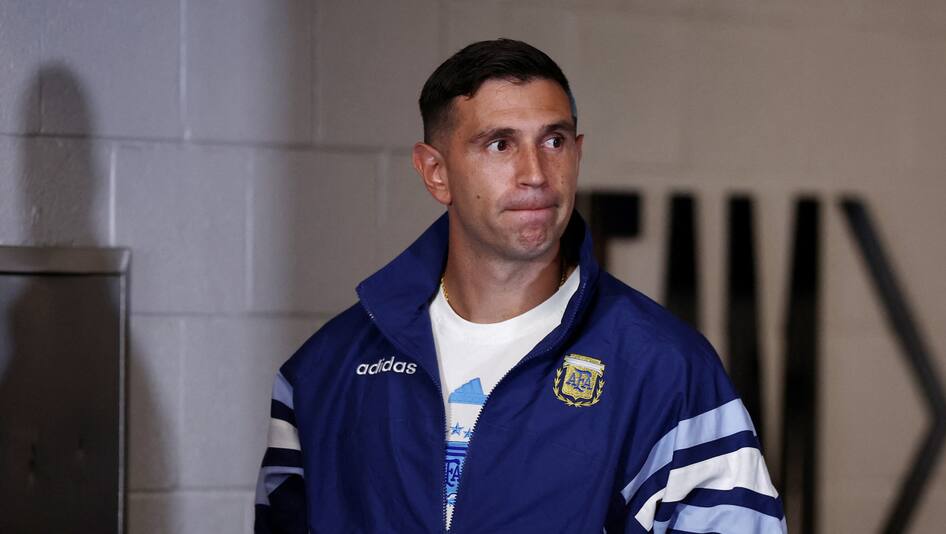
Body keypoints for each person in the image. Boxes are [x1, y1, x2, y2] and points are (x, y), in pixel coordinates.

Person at [254, 39, 785, 533]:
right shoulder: (325, 372)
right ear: (435, 172)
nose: (535, 172)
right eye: (500, 144)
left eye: (554, 141)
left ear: (577, 153)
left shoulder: (665, 369)